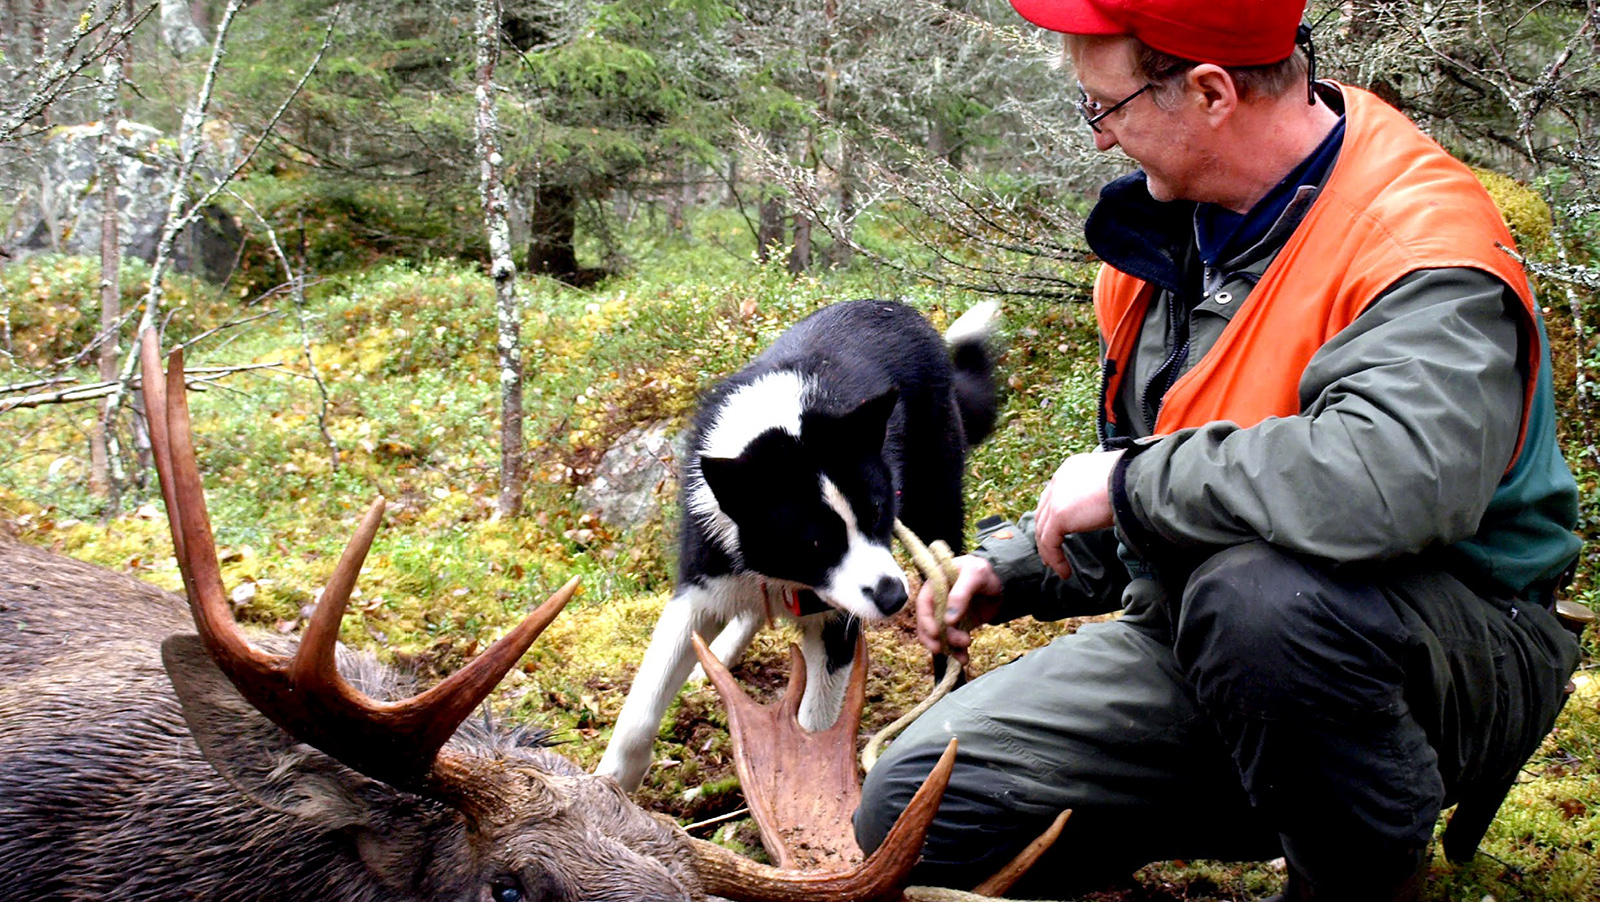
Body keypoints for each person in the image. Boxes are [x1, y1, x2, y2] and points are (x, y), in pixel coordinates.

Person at [852, 1, 1583, 900]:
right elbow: (1182, 499)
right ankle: (1285, 791)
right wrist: (1015, 566)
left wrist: (1126, 479)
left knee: (1265, 604)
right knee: (914, 816)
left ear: (1207, 91)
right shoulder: (1162, 240)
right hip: (1216, 638)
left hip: (1453, 643)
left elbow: (1395, 481)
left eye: (1106, 108)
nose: (1100, 141)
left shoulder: (1416, 239)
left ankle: (1354, 877)